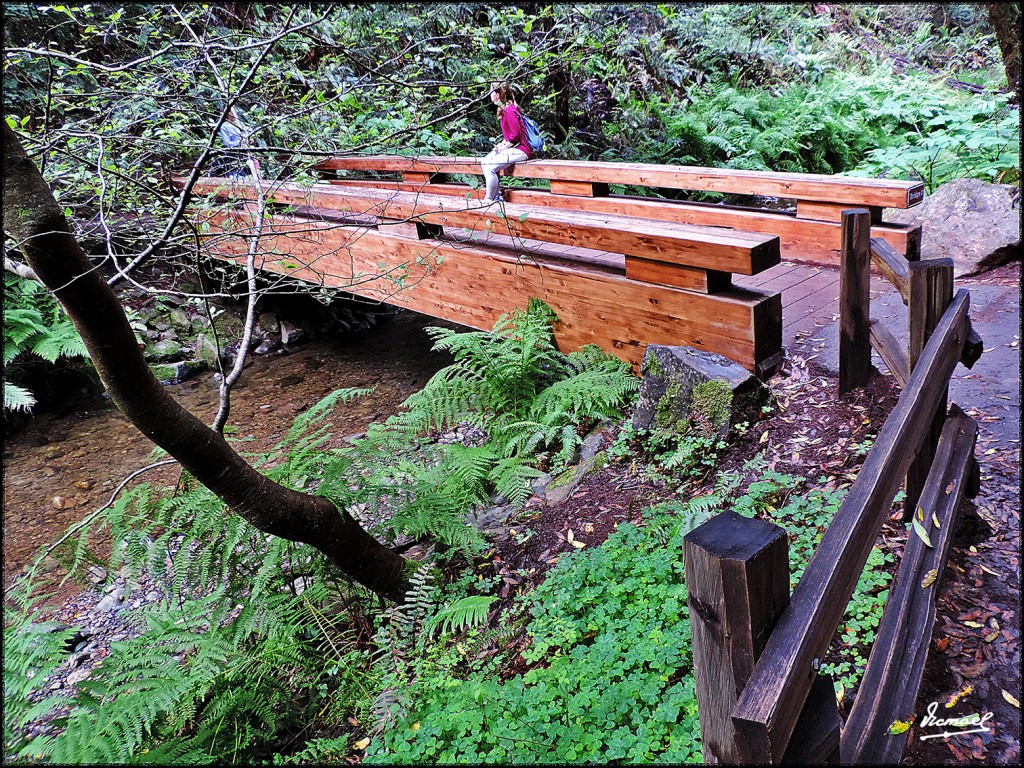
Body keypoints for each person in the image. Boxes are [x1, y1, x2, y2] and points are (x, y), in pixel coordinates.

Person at [480, 82, 531, 204]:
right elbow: (509, 136)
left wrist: (504, 147)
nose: (489, 94)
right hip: (513, 148)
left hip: (522, 149)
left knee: (491, 167)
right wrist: (501, 145)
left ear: (497, 94)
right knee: (485, 162)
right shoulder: (504, 110)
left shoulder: (509, 110)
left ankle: (489, 199)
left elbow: (516, 136)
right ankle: (497, 196)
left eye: (491, 92)